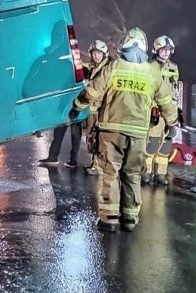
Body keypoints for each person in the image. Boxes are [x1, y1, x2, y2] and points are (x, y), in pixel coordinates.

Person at [71, 27, 177, 233]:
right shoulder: (152, 72)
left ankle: (109, 218)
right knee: (133, 174)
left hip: (111, 130)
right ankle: (129, 217)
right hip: (138, 133)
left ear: (124, 44)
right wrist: (172, 125)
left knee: (110, 173)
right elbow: (166, 102)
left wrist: (76, 106)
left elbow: (92, 91)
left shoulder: (113, 67)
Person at [143, 35, 182, 187]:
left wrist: (177, 110)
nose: (166, 53)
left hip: (169, 111)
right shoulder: (149, 67)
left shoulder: (174, 67)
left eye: (168, 50)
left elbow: (175, 89)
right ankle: (146, 172)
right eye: (163, 50)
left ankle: (160, 174)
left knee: (166, 144)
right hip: (154, 112)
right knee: (151, 142)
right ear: (156, 50)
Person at [83, 39, 110, 175]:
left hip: (101, 109)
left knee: (99, 138)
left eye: (99, 53)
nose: (96, 56)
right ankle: (95, 162)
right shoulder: (91, 68)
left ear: (104, 54)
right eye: (94, 53)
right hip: (91, 109)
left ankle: (99, 166)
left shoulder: (107, 69)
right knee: (91, 137)